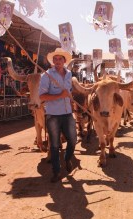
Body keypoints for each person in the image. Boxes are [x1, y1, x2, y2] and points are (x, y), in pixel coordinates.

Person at [39, 48, 77, 183]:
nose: (57, 61)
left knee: (73, 140)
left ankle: (67, 158)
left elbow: (69, 91)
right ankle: (56, 172)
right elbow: (42, 96)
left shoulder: (69, 74)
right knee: (54, 145)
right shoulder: (46, 75)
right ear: (52, 61)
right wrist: (60, 95)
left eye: (60, 59)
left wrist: (70, 99)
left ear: (64, 61)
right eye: (55, 59)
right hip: (53, 115)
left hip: (67, 114)